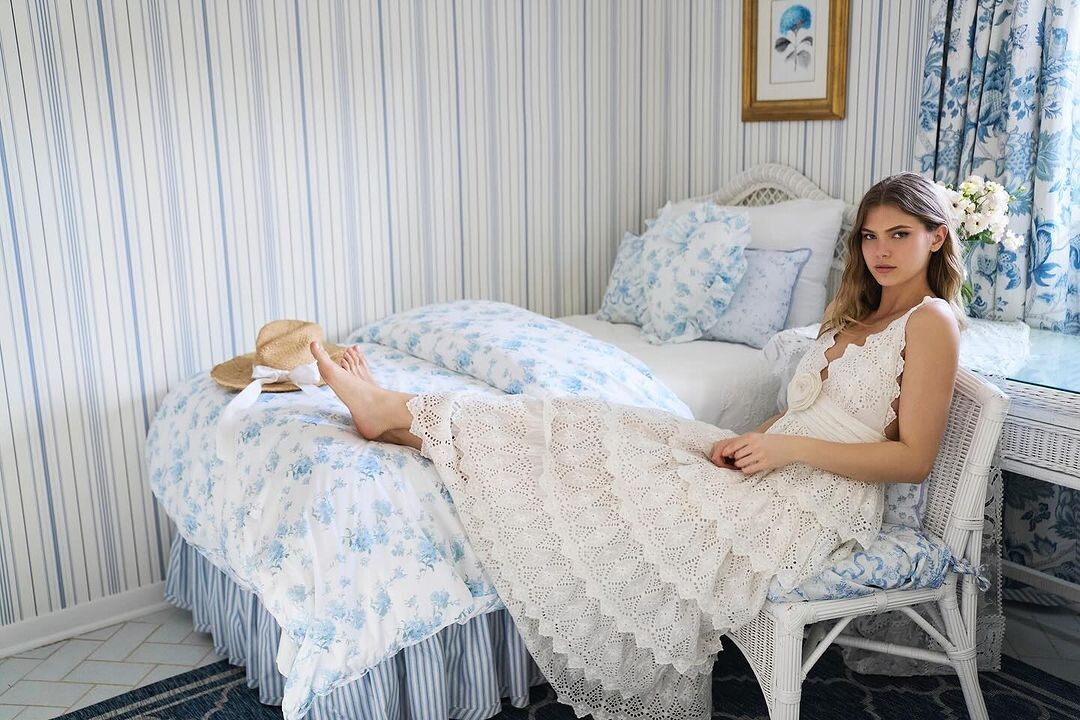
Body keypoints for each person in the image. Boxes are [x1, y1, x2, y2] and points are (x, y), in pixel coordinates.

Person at [310, 172, 964, 720]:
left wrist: (788, 451)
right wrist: (753, 439)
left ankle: (391, 413)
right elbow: (803, 413)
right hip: (775, 463)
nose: (880, 250)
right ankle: (397, 417)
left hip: (818, 500)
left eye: (899, 234)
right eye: (870, 236)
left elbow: (913, 459)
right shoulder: (857, 314)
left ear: (936, 237)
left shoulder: (930, 321)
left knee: (613, 474)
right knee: (596, 425)